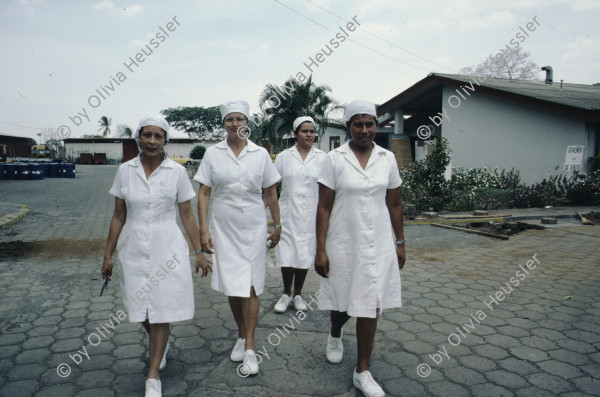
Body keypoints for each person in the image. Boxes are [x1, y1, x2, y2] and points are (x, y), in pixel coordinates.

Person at [101, 117, 212, 397]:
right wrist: (108, 255)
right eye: (147, 135)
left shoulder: (176, 172)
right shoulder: (125, 171)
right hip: (133, 247)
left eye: (158, 136)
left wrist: (198, 251)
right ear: (139, 137)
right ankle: (159, 343)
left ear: (165, 141)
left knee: (161, 307)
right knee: (140, 307)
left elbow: (186, 214)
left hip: (167, 248)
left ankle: (153, 376)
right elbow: (118, 215)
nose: (152, 141)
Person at [314, 100, 406, 397]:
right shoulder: (334, 159)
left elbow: (394, 203)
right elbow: (324, 206)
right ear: (348, 127)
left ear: (376, 126)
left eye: (370, 124)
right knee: (342, 303)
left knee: (370, 303)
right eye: (358, 124)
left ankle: (362, 371)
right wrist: (320, 249)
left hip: (377, 243)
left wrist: (400, 242)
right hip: (343, 242)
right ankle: (335, 332)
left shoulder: (387, 158)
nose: (365, 130)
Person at [194, 100, 281, 376]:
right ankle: (241, 335)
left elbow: (270, 192)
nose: (234, 124)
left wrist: (277, 224)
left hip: (254, 227)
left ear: (247, 123)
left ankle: (251, 350)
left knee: (251, 284)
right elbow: (204, 192)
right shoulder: (213, 154)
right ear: (223, 124)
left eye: (239, 119)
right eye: (229, 119)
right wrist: (203, 229)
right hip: (223, 227)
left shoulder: (260, 155)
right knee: (233, 284)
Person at [273, 116, 326, 313]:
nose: (309, 135)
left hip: (312, 214)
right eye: (305, 131)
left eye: (312, 131)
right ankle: (285, 293)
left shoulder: (322, 157)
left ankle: (298, 294)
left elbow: (327, 188)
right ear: (296, 134)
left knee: (304, 255)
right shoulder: (283, 157)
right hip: (287, 213)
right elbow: (273, 187)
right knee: (287, 254)